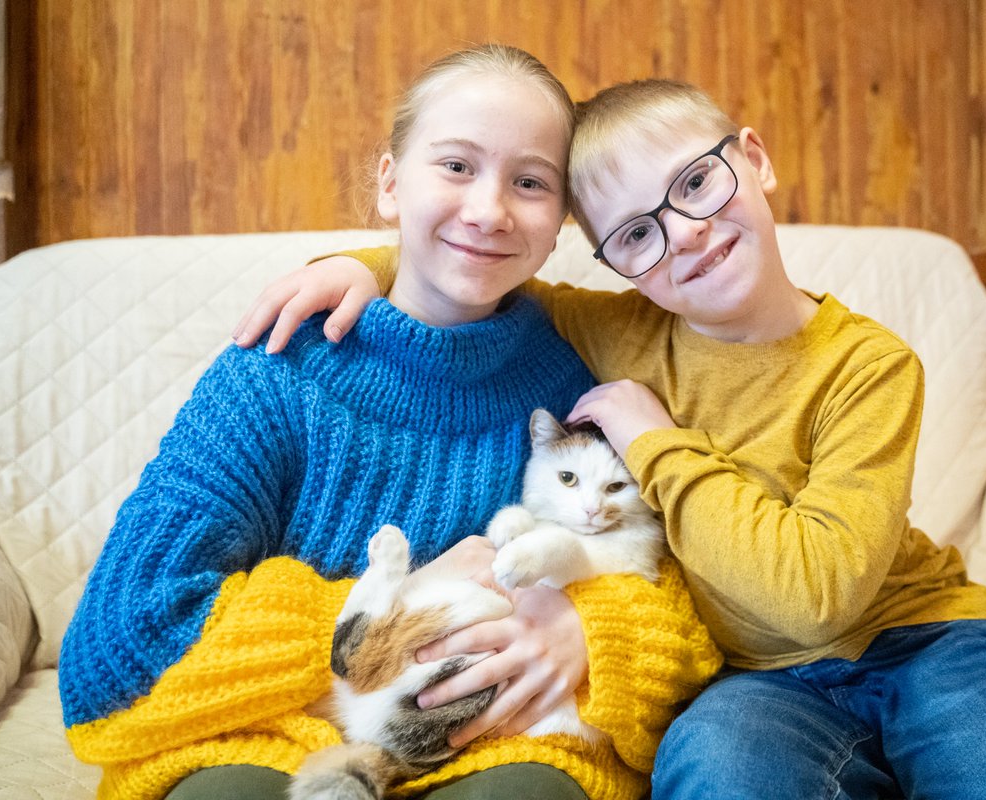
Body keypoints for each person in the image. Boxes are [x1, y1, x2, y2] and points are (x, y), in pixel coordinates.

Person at [235, 77, 986, 799]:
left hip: (919, 639)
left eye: (698, 183)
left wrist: (654, 441)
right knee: (715, 774)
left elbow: (815, 599)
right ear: (611, 259)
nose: (687, 236)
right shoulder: (618, 328)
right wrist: (356, 262)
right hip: (746, 680)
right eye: (636, 234)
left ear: (753, 158)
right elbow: (476, 271)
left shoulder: (870, 366)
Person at [59, 49, 720, 800]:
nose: (488, 210)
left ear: (560, 220)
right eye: (456, 166)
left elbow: (680, 593)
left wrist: (588, 634)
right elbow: (117, 643)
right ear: (388, 183)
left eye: (530, 182)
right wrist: (381, 623)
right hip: (266, 733)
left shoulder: (584, 369)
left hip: (495, 740)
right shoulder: (281, 364)